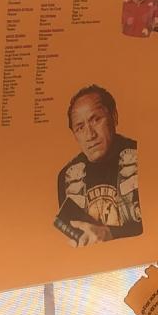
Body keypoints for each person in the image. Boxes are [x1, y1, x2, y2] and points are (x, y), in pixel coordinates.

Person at [55, 86, 142, 246]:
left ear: (114, 117)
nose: (90, 135)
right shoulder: (67, 177)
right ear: (74, 135)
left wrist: (112, 234)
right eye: (80, 127)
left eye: (96, 120)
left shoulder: (143, 157)